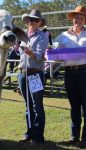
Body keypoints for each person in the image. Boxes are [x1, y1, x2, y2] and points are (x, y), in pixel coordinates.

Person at [55, 5, 86, 148]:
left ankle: (85, 139)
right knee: (74, 106)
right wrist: (51, 53)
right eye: (76, 17)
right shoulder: (62, 36)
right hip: (69, 73)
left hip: (85, 72)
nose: (78, 20)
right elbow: (56, 55)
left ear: (84, 20)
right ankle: (74, 137)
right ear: (72, 19)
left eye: (81, 18)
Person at [17, 9, 48, 145]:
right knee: (28, 105)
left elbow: (40, 56)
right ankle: (29, 133)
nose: (33, 22)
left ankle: (38, 136)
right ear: (27, 21)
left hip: (35, 74)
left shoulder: (42, 37)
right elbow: (18, 52)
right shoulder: (23, 36)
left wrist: (31, 53)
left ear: (40, 22)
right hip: (23, 74)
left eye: (36, 20)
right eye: (31, 20)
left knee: (37, 106)